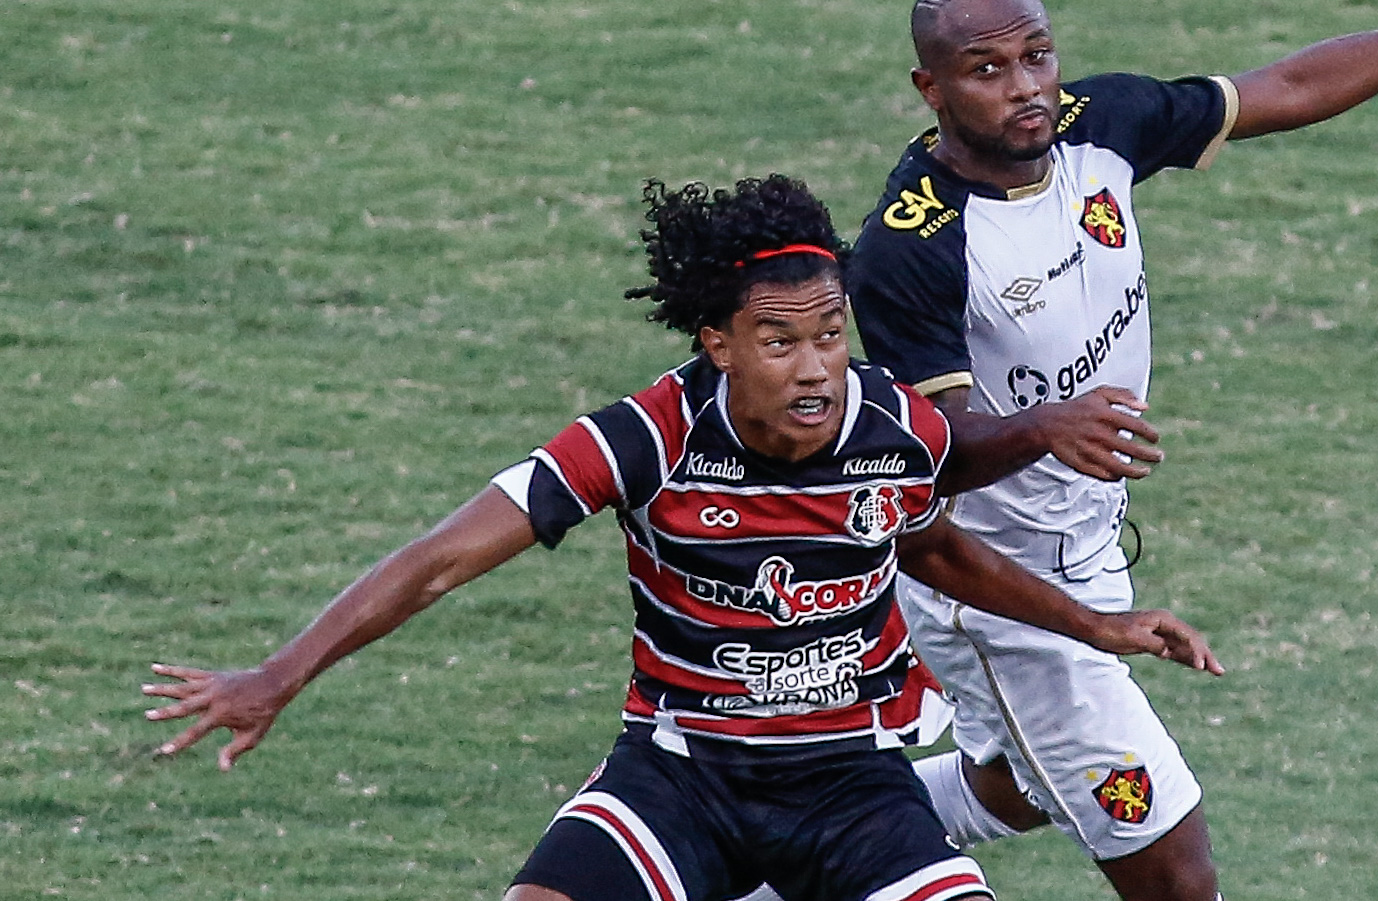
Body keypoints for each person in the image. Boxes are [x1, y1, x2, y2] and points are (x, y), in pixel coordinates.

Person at [142, 173, 1224, 901]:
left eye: (829, 334)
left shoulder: (896, 425)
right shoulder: (642, 437)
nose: (814, 366)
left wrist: (1099, 625)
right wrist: (280, 674)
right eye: (779, 340)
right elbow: (439, 560)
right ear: (718, 343)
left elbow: (928, 546)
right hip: (680, 777)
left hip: (850, 786)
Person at [842, 0, 1378, 901]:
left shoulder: (1099, 123)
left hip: (1082, 540)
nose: (1027, 87)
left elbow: (1286, 86)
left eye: (1037, 56)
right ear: (931, 87)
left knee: (1019, 786)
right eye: (987, 69)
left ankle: (774, 847)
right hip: (997, 588)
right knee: (1176, 868)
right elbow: (933, 459)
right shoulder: (910, 246)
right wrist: (1043, 426)